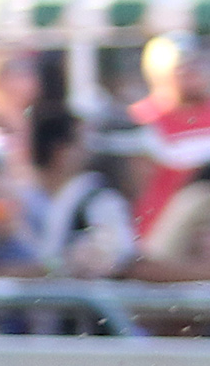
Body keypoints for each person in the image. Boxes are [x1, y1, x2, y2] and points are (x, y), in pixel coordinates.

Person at [132, 35, 210, 234]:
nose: (193, 73)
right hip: (159, 230)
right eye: (184, 66)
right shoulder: (141, 120)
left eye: (199, 65)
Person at [19, 107, 139, 279]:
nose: (90, 151)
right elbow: (126, 263)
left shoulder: (91, 197)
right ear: (61, 152)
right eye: (84, 143)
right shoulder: (98, 199)